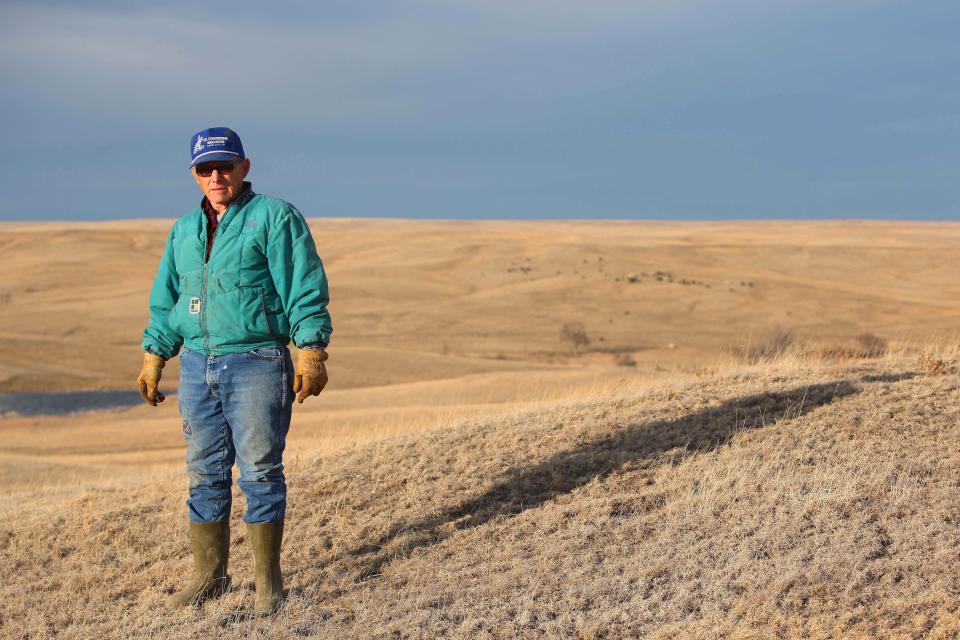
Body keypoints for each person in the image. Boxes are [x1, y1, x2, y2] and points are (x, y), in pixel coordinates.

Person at [136, 126, 332, 615]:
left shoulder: (274, 217)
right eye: (206, 168)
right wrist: (154, 355)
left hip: (257, 362)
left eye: (225, 165)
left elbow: (303, 285)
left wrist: (310, 349)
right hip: (197, 364)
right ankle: (210, 577)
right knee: (204, 473)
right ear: (195, 175)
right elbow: (169, 301)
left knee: (261, 473)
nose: (216, 175)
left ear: (245, 167)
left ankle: (269, 586)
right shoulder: (183, 230)